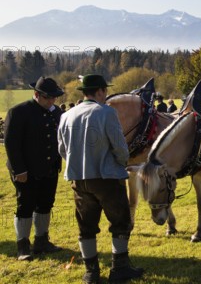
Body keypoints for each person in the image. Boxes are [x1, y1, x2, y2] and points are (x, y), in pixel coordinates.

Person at [58, 74, 144, 283]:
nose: (106, 95)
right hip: (107, 178)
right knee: (120, 222)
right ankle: (119, 268)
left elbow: (62, 149)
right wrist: (122, 162)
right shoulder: (106, 112)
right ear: (100, 91)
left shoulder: (66, 115)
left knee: (86, 226)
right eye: (105, 91)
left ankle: (91, 272)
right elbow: (119, 147)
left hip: (78, 180)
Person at [4, 76, 64, 261]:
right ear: (36, 94)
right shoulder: (18, 112)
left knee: (46, 204)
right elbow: (11, 144)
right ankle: (23, 246)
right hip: (26, 171)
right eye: (48, 97)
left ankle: (41, 241)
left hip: (49, 169)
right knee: (25, 206)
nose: (52, 101)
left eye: (54, 97)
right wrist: (19, 170)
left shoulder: (56, 113)